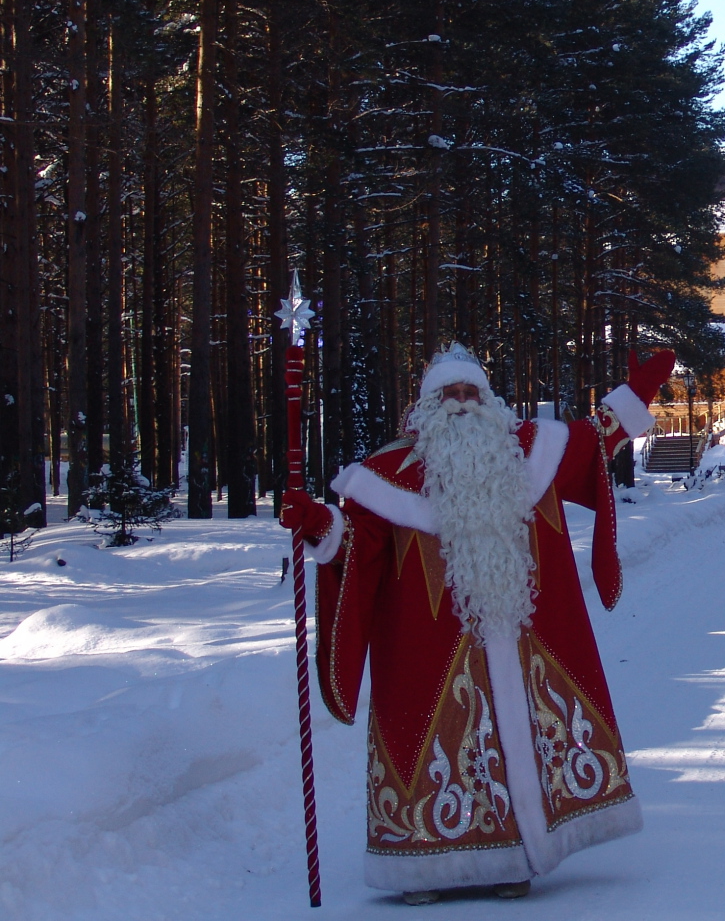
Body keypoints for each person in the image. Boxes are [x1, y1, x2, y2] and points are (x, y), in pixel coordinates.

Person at [280, 343, 675, 904]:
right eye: (449, 395)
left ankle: (514, 856)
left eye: (471, 392)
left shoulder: (529, 452)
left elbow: (593, 439)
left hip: (520, 636)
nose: (461, 404)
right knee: (429, 736)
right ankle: (421, 865)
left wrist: (639, 393)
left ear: (489, 401)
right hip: (424, 648)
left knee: (519, 731)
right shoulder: (384, 475)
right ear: (425, 408)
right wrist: (318, 524)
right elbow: (354, 547)